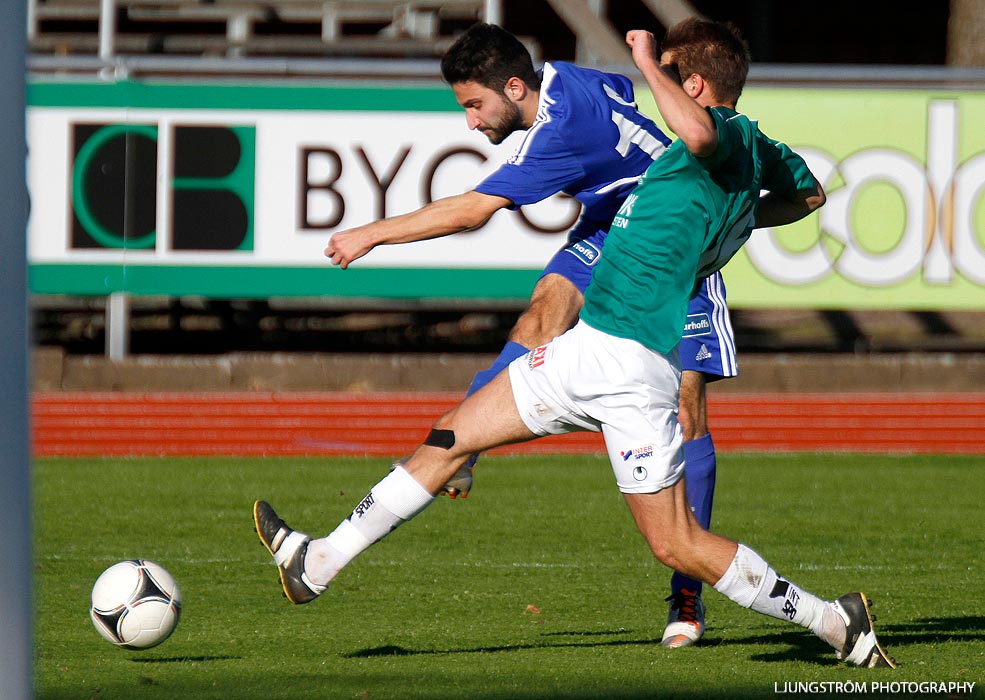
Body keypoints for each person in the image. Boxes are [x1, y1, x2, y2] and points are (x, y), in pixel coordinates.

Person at [258, 18, 897, 668]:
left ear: (696, 84)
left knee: (676, 545)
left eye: (672, 81)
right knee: (451, 436)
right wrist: (733, 210)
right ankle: (320, 561)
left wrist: (647, 58)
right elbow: (808, 194)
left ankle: (832, 622)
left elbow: (702, 130)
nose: (659, 94)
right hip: (585, 351)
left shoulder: (723, 133)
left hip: (629, 367)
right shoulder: (752, 157)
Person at [323, 22, 731, 647]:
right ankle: (465, 447)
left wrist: (371, 233)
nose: (471, 122)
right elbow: (620, 87)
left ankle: (687, 596)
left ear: (515, 86)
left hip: (676, 239)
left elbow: (470, 211)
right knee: (541, 311)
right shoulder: (570, 77)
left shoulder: (558, 134)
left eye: (474, 104)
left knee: (687, 405)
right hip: (609, 225)